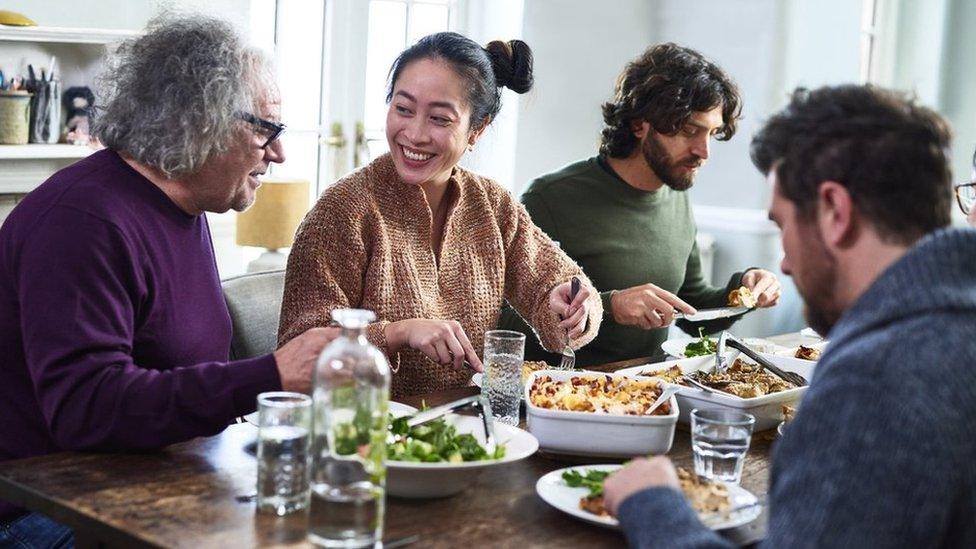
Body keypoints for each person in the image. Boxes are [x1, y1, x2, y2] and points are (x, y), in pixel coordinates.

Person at [0, 16, 337, 544]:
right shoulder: (83, 222)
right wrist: (267, 376)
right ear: (200, 122)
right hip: (45, 510)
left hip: (146, 480)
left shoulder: (187, 206)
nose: (278, 152)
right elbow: (86, 410)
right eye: (264, 130)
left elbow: (186, 373)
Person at [603, 84, 976, 547]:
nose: (784, 263)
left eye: (783, 226)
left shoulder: (874, 381)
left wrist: (652, 504)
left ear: (836, 212)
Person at [278, 32, 601, 398]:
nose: (414, 134)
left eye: (439, 119)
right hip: (364, 433)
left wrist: (572, 307)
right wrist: (398, 332)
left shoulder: (493, 206)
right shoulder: (343, 210)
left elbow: (556, 289)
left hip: (469, 429)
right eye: (403, 109)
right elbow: (298, 353)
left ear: (476, 130)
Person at [498, 43, 781, 367]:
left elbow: (690, 311)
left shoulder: (676, 195)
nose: (704, 151)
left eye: (712, 133)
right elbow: (502, 326)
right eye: (690, 131)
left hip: (644, 396)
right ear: (639, 124)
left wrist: (742, 290)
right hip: (558, 397)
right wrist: (610, 307)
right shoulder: (549, 198)